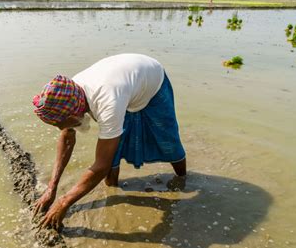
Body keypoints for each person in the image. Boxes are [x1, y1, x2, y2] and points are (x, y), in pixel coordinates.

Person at [32, 53, 186, 230]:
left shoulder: (108, 103)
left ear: (74, 114)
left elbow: (101, 166)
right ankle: (113, 189)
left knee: (167, 139)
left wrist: (64, 202)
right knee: (114, 149)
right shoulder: (68, 95)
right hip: (123, 84)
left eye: (59, 123)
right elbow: (67, 138)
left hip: (153, 81)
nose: (60, 129)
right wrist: (52, 188)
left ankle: (183, 178)